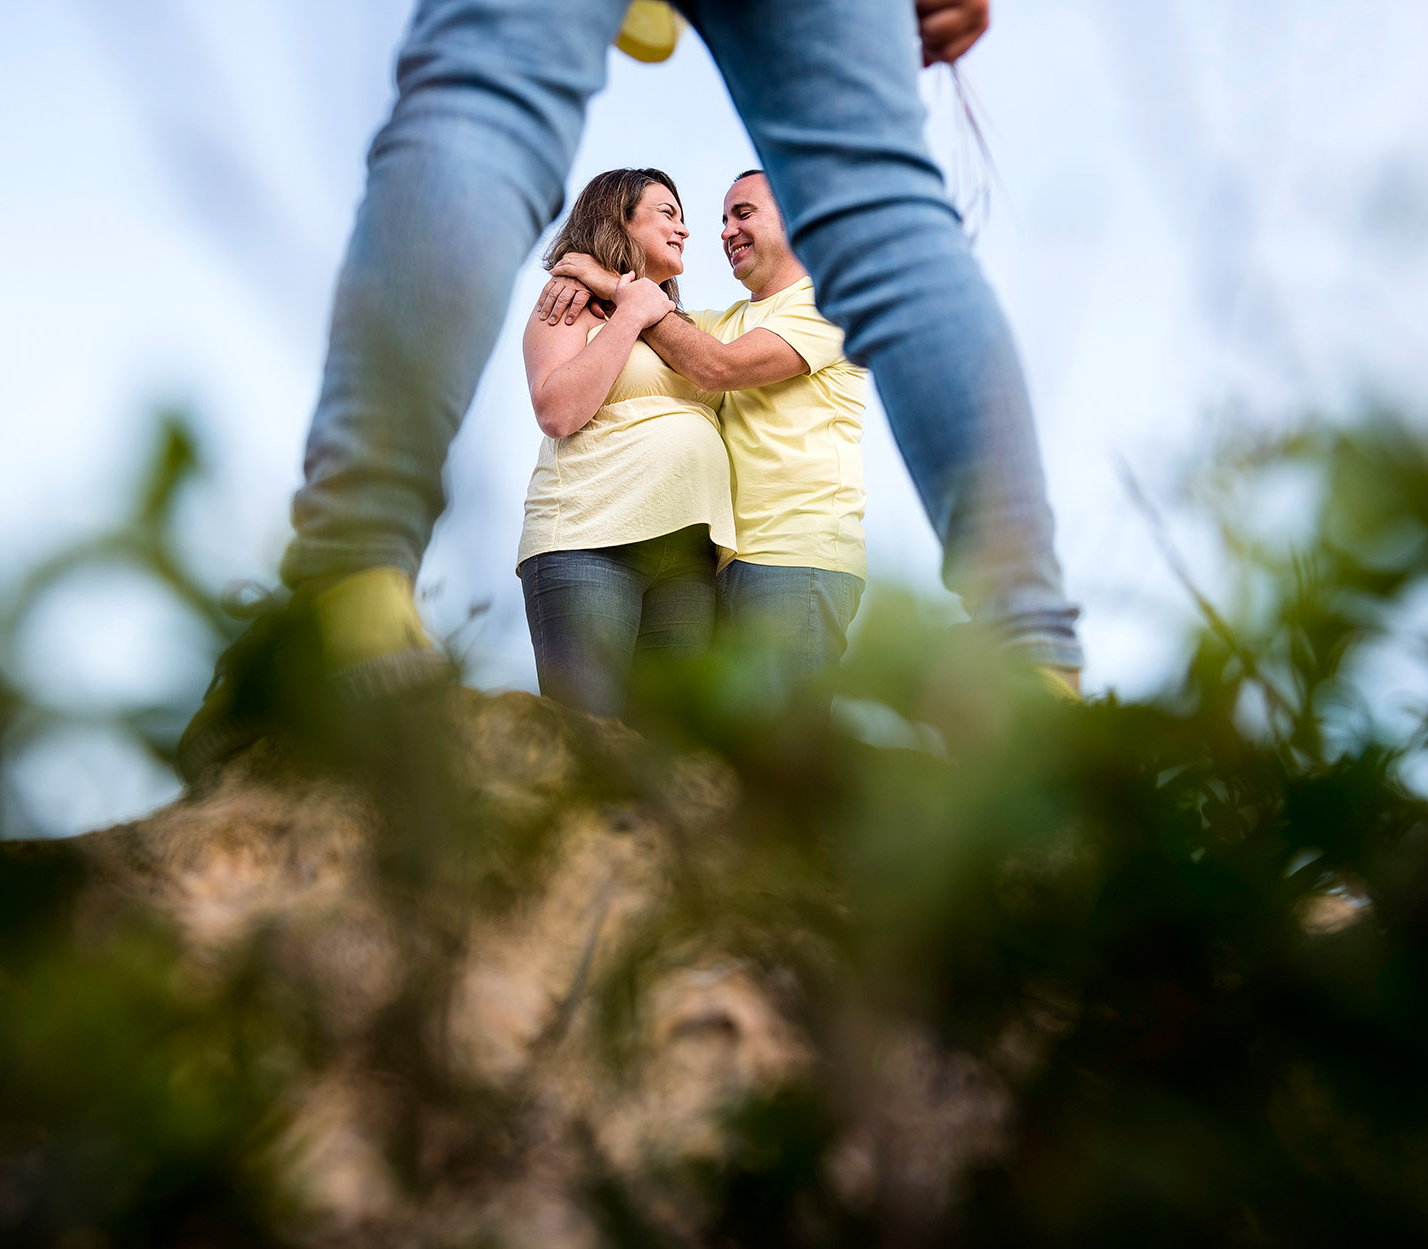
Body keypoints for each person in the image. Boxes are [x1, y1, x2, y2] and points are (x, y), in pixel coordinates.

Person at [177, 0, 1081, 781]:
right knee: (880, 212)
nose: (707, 231)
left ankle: (347, 578)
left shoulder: (743, 319)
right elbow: (611, 377)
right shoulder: (657, 313)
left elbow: (711, 361)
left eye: (726, 214)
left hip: (730, 554)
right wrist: (613, 290)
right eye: (689, 215)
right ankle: (1033, 660)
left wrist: (617, 288)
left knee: (486, 102)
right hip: (620, 544)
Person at [536, 169, 868, 707]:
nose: (722, 231)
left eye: (744, 213)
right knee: (718, 744)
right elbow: (660, 324)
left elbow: (717, 366)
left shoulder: (831, 306)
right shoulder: (722, 322)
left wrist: (612, 285)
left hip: (793, 554)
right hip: (725, 559)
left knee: (782, 741)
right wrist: (592, 277)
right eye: (722, 219)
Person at [516, 169, 735, 717]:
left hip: (687, 556)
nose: (684, 230)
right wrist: (630, 309)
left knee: (668, 745)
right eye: (667, 214)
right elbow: (557, 412)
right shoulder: (569, 307)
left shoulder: (681, 326)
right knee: (587, 734)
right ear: (619, 219)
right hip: (590, 542)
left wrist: (637, 300)